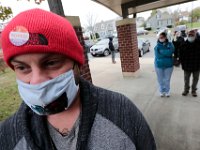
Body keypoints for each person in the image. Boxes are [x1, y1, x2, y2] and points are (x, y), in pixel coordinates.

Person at [0, 9, 156, 150]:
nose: (36, 81)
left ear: (77, 63)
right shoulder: (7, 136)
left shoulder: (122, 113)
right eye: (22, 68)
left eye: (51, 63)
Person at [180, 30, 200, 97]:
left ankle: (193, 91)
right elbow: (181, 55)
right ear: (187, 36)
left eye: (192, 35)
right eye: (189, 35)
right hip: (187, 65)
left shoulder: (198, 43)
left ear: (195, 36)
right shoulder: (184, 44)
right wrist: (182, 64)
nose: (191, 36)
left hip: (196, 65)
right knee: (186, 79)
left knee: (196, 79)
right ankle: (186, 90)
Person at [154, 32, 175, 97]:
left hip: (169, 65)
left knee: (167, 79)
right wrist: (166, 52)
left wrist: (162, 52)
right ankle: (161, 91)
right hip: (159, 65)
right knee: (160, 79)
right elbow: (158, 56)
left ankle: (167, 91)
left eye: (162, 37)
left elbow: (171, 52)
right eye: (160, 37)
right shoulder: (157, 46)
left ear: (165, 37)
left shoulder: (170, 44)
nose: (161, 38)